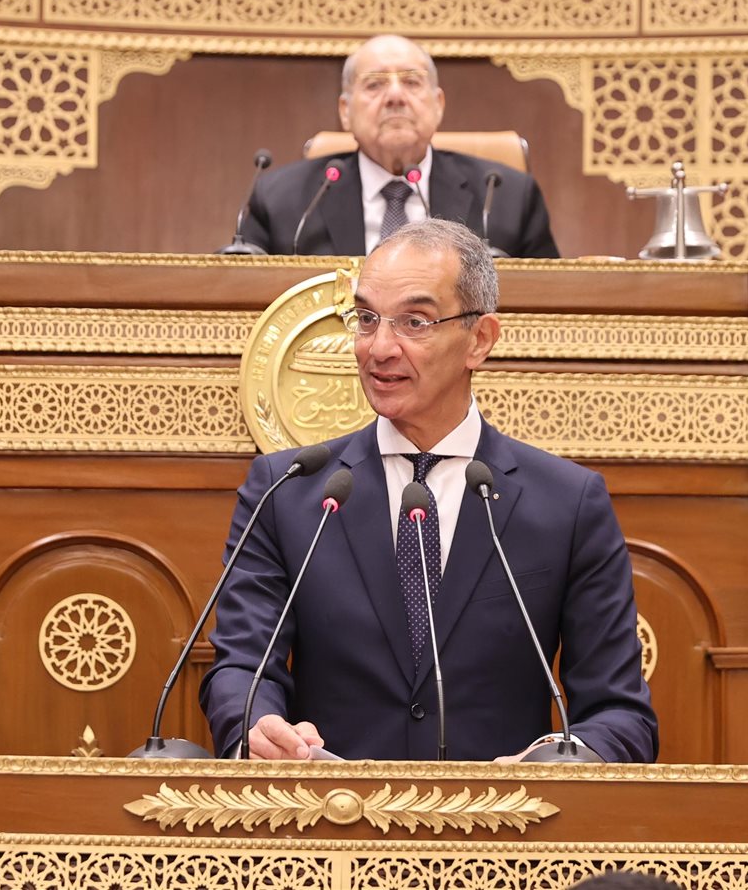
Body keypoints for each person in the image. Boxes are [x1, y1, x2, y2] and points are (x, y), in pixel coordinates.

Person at [199, 219, 655, 761]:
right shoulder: (288, 492)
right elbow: (242, 667)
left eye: (414, 322)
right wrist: (257, 725)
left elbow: (619, 714)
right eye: (367, 319)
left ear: (479, 340)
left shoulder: (568, 503)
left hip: (504, 813)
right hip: (328, 808)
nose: (379, 348)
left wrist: (553, 763)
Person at [241, 35, 558, 258]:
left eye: (411, 82)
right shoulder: (281, 200)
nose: (395, 96)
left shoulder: (507, 198)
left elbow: (548, 307)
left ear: (438, 105)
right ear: (345, 112)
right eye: (374, 84)